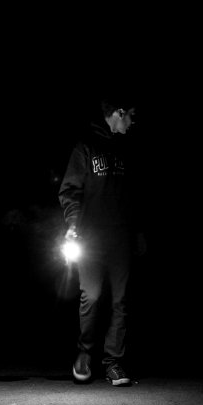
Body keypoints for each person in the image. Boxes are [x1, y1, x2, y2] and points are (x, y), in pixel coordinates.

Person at [58, 97, 144, 386]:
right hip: (91, 238)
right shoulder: (85, 147)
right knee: (92, 296)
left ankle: (113, 362)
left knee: (122, 299)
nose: (133, 122)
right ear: (119, 112)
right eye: (131, 115)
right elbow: (70, 190)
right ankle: (85, 353)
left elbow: (136, 196)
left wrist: (139, 232)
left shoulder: (128, 148)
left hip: (121, 237)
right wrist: (72, 225)